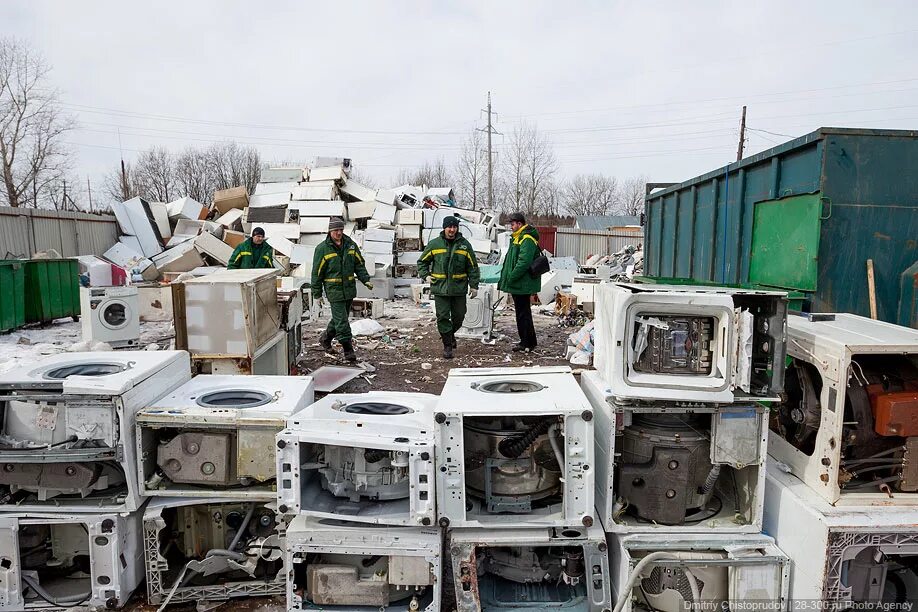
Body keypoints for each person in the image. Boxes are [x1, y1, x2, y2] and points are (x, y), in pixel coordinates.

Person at [418, 215, 480, 359]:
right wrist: (426, 275)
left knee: (459, 316)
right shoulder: (434, 244)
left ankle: (450, 335)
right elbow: (422, 262)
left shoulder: (464, 245)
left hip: (459, 289)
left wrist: (474, 285)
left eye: (454, 227)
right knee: (443, 317)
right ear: (444, 228)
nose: (452, 230)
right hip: (440, 289)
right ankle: (447, 345)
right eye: (449, 227)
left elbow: (473, 267)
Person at [312, 217, 373, 363]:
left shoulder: (351, 245)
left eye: (341, 229)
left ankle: (325, 339)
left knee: (340, 318)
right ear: (330, 231)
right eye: (336, 230)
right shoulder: (322, 249)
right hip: (334, 291)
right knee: (342, 322)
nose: (339, 233)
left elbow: (359, 264)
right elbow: (317, 272)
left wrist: (366, 279)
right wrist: (317, 293)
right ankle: (348, 351)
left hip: (349, 289)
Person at [498, 212, 540, 352]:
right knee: (523, 313)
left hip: (522, 283)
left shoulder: (526, 239)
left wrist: (511, 277)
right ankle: (528, 341)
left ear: (520, 224)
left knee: (523, 314)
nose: (511, 227)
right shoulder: (518, 237)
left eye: (513, 224)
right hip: (520, 282)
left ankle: (526, 343)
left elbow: (523, 262)